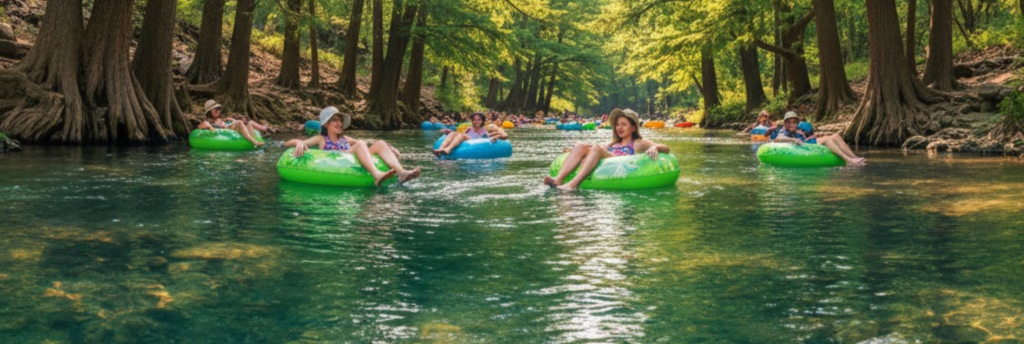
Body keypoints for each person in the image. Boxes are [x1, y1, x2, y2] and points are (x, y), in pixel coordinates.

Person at [285, 107, 421, 186]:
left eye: (340, 121)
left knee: (379, 143)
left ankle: (401, 172)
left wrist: (390, 149)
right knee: (360, 143)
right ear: (326, 124)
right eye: (334, 120)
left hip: (350, 157)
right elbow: (287, 143)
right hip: (335, 163)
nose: (339, 123)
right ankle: (376, 174)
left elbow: (366, 148)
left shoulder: (346, 139)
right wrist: (299, 142)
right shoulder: (321, 139)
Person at [544, 109, 670, 190]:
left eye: (624, 124)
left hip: (620, 164)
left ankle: (573, 184)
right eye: (618, 124)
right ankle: (558, 180)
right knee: (580, 146)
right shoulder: (612, 144)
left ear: (633, 128)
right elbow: (593, 150)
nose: (619, 128)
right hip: (607, 159)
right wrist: (572, 151)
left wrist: (655, 147)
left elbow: (666, 148)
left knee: (597, 148)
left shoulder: (637, 143)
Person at [773, 112, 865, 165]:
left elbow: (809, 136)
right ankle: (848, 160)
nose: (792, 124)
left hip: (809, 142)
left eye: (794, 122)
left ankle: (855, 157)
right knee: (827, 140)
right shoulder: (783, 131)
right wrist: (792, 140)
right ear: (785, 123)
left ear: (797, 123)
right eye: (789, 122)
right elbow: (777, 139)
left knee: (836, 136)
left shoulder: (799, 128)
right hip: (806, 147)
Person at [433, 112, 508, 156]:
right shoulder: (469, 128)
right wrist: (450, 132)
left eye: (479, 120)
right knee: (453, 133)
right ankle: (440, 149)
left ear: (483, 121)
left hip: (477, 142)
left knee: (461, 135)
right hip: (468, 140)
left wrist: (497, 136)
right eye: (474, 120)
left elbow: (504, 136)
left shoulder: (488, 128)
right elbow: (459, 136)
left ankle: (448, 149)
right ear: (472, 121)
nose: (476, 122)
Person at [196, 100, 264, 147]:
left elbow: (227, 124)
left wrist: (232, 121)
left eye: (219, 109)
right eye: (215, 110)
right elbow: (200, 126)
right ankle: (254, 142)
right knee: (239, 122)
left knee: (249, 124)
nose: (218, 111)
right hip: (227, 133)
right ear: (209, 112)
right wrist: (210, 127)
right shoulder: (209, 122)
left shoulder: (220, 120)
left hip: (230, 129)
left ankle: (254, 143)